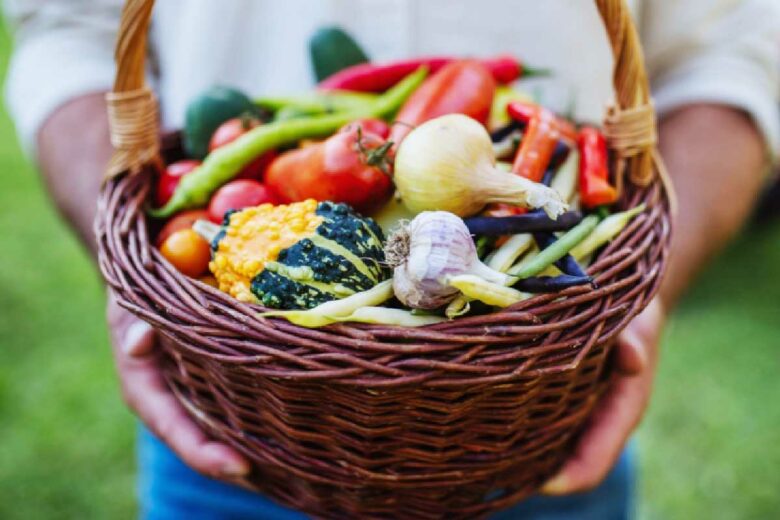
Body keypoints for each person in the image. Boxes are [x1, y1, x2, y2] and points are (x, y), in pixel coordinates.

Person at [4, 1, 778, 518]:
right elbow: (66, 26)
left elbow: (738, 50)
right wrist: (134, 278)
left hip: (547, 402)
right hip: (232, 414)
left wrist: (652, 291)